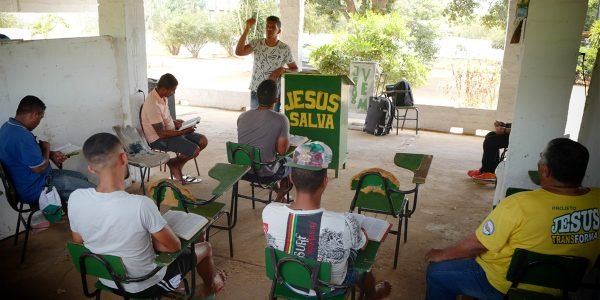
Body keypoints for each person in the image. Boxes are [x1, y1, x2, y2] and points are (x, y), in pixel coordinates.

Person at [426, 138, 599, 300]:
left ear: (545, 170)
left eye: (541, 158)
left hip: (504, 284)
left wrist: (442, 254)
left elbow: (477, 245)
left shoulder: (518, 204)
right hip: (563, 287)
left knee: (437, 273)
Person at [68, 132, 227, 298]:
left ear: (91, 168)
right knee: (205, 247)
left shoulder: (76, 198)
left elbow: (79, 241)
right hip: (145, 284)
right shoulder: (140, 205)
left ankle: (178, 281)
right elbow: (173, 247)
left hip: (107, 278)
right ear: (124, 158)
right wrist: (151, 242)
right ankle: (211, 285)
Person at [262, 141, 392, 299]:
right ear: (325, 182)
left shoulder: (269, 211)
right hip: (328, 290)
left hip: (287, 281)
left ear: (291, 178)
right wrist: (359, 232)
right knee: (362, 267)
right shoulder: (344, 223)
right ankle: (371, 295)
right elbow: (362, 244)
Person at [0, 95, 94, 205]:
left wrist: (50, 154)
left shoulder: (7, 127)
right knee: (92, 191)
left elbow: (24, 154)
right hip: (37, 188)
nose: (38, 122)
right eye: (40, 118)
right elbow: (39, 168)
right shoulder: (22, 136)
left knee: (82, 177)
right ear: (35, 115)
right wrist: (47, 148)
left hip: (31, 181)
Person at [141, 73, 208, 183]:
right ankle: (175, 164)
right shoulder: (152, 104)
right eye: (172, 90)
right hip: (159, 140)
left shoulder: (162, 96)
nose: (173, 93)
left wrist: (175, 122)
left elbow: (164, 119)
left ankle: (175, 163)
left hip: (171, 132)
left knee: (203, 141)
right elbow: (161, 133)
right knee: (194, 150)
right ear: (163, 89)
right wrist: (183, 131)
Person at [237, 79, 291, 202]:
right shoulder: (281, 119)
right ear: (276, 100)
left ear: (257, 96)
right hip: (265, 173)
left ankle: (277, 192)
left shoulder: (242, 116)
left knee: (269, 160)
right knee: (290, 163)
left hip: (243, 170)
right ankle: (279, 200)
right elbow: (282, 151)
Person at [235, 15, 299, 111]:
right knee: (256, 121)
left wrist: (283, 69)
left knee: (272, 122)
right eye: (267, 26)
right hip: (256, 91)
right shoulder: (257, 43)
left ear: (279, 31)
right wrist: (247, 29)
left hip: (273, 93)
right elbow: (239, 52)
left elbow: (295, 69)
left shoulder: (284, 49)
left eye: (273, 27)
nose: (269, 29)